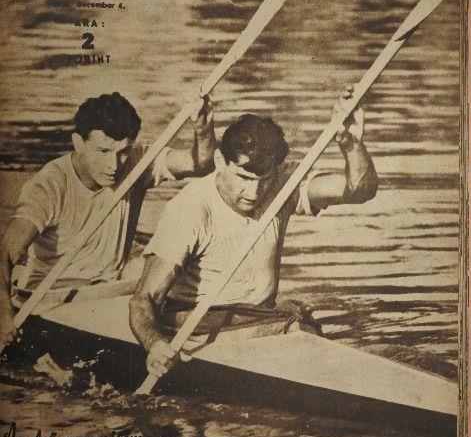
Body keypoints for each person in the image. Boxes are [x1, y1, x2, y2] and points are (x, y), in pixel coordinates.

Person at [129, 86, 378, 378]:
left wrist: (351, 144)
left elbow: (360, 191)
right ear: (220, 162)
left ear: (277, 170)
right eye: (244, 178)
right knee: (298, 327)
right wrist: (155, 344)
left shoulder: (282, 186)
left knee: (302, 321)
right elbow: (143, 299)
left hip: (262, 320)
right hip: (198, 327)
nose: (254, 192)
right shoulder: (191, 208)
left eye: (264, 180)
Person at [0, 91, 216, 347]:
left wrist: (202, 128)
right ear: (78, 143)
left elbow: (200, 164)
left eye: (122, 151)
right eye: (102, 151)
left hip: (111, 290)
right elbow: (6, 254)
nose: (114, 165)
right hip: (52, 297)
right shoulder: (50, 185)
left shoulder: (137, 162)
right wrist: (3, 315)